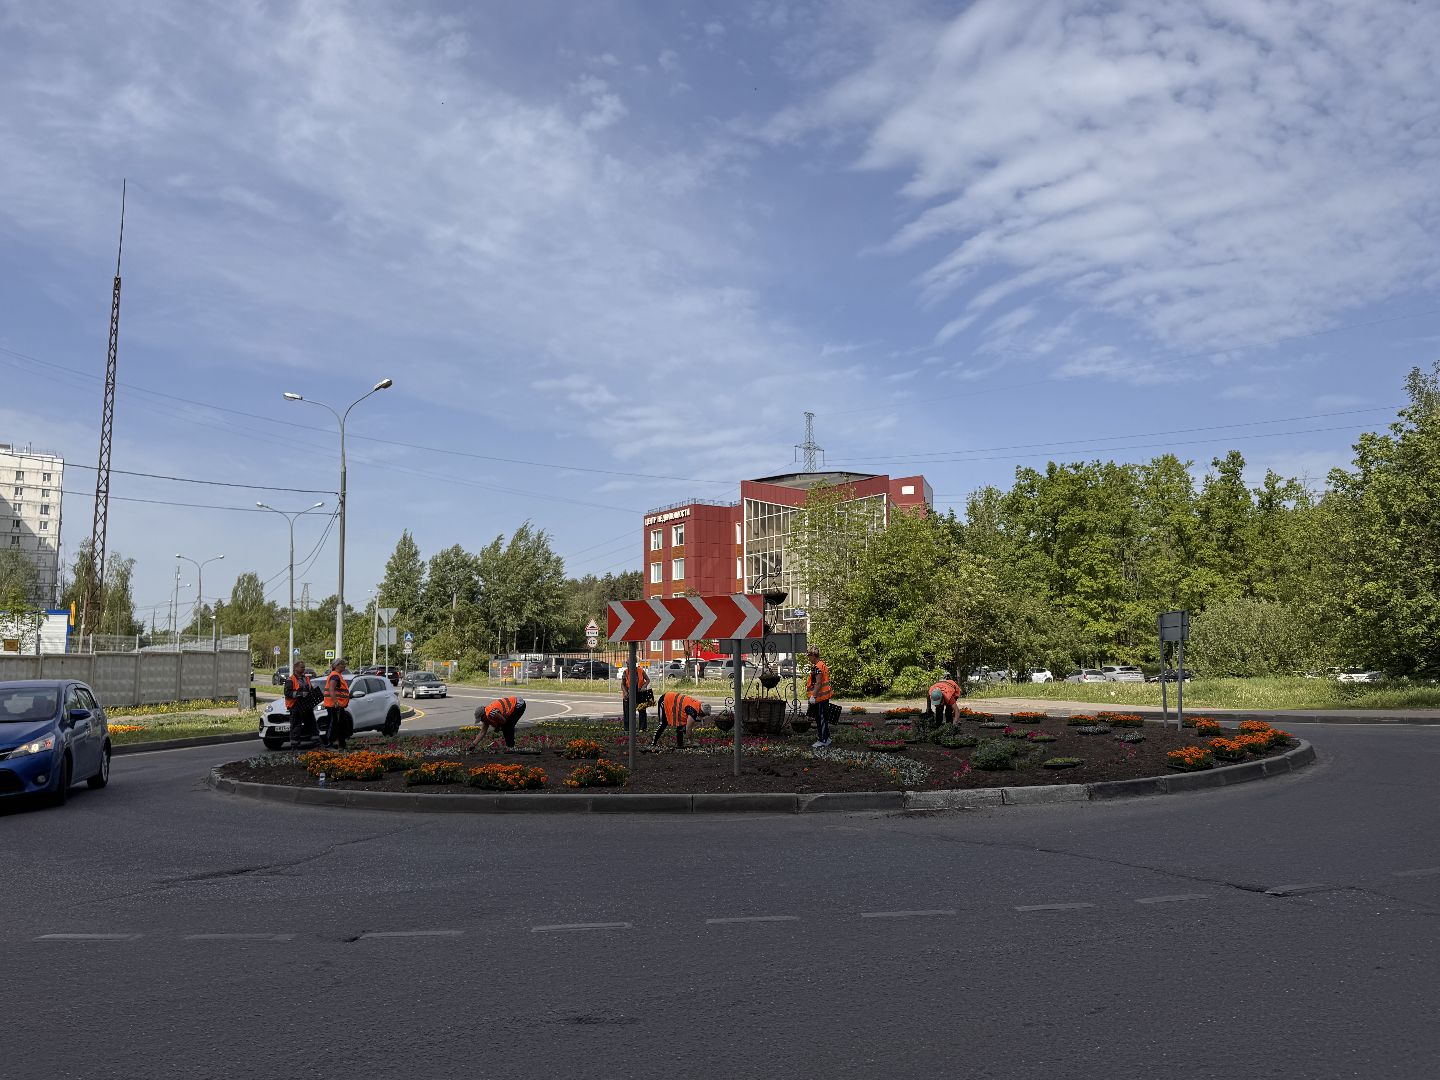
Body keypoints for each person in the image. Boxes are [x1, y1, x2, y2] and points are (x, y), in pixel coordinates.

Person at [283, 660, 319, 749]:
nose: (304, 668)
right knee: (295, 726)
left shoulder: (306, 678)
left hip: (306, 705)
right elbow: (287, 693)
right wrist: (300, 694)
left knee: (312, 724)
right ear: (296, 668)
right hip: (295, 706)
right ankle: (295, 745)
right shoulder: (290, 680)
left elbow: (310, 689)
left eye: (304, 667)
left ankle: (316, 743)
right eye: (302, 667)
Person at [805, 645, 834, 749]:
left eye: (809, 656)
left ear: (813, 655)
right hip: (824, 697)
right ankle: (827, 738)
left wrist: (813, 696)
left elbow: (818, 683)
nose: (808, 658)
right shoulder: (822, 665)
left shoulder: (817, 667)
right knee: (823, 718)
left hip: (820, 698)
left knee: (820, 719)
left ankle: (823, 740)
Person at [322, 658, 353, 750]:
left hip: (338, 706)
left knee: (339, 725)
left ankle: (339, 744)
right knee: (333, 725)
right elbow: (331, 689)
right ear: (336, 666)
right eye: (342, 664)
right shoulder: (335, 676)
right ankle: (329, 744)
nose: (344, 666)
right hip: (334, 706)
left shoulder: (337, 676)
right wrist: (336, 702)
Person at [620, 662, 653, 733]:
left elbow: (647, 680)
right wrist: (625, 692)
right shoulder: (625, 672)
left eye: (629, 663)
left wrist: (644, 686)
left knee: (642, 710)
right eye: (627, 664)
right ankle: (627, 729)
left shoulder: (641, 670)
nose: (628, 665)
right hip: (628, 693)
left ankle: (643, 728)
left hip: (639, 693)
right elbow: (622, 684)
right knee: (627, 712)